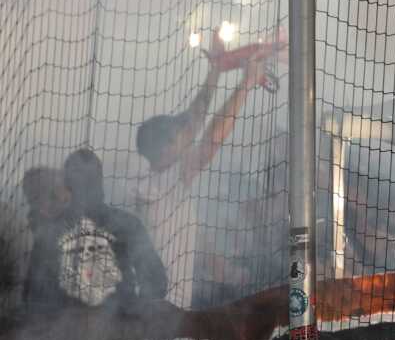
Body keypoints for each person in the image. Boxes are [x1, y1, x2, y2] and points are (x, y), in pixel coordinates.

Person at [22, 153, 167, 312]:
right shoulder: (127, 223)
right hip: (98, 328)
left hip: (83, 328)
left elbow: (31, 296)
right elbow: (156, 282)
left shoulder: (51, 231)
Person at [135, 36, 273, 186]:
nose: (189, 130)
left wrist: (217, 68)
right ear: (166, 150)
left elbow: (196, 115)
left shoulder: (152, 170)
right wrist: (247, 83)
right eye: (183, 132)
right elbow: (213, 139)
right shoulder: (173, 175)